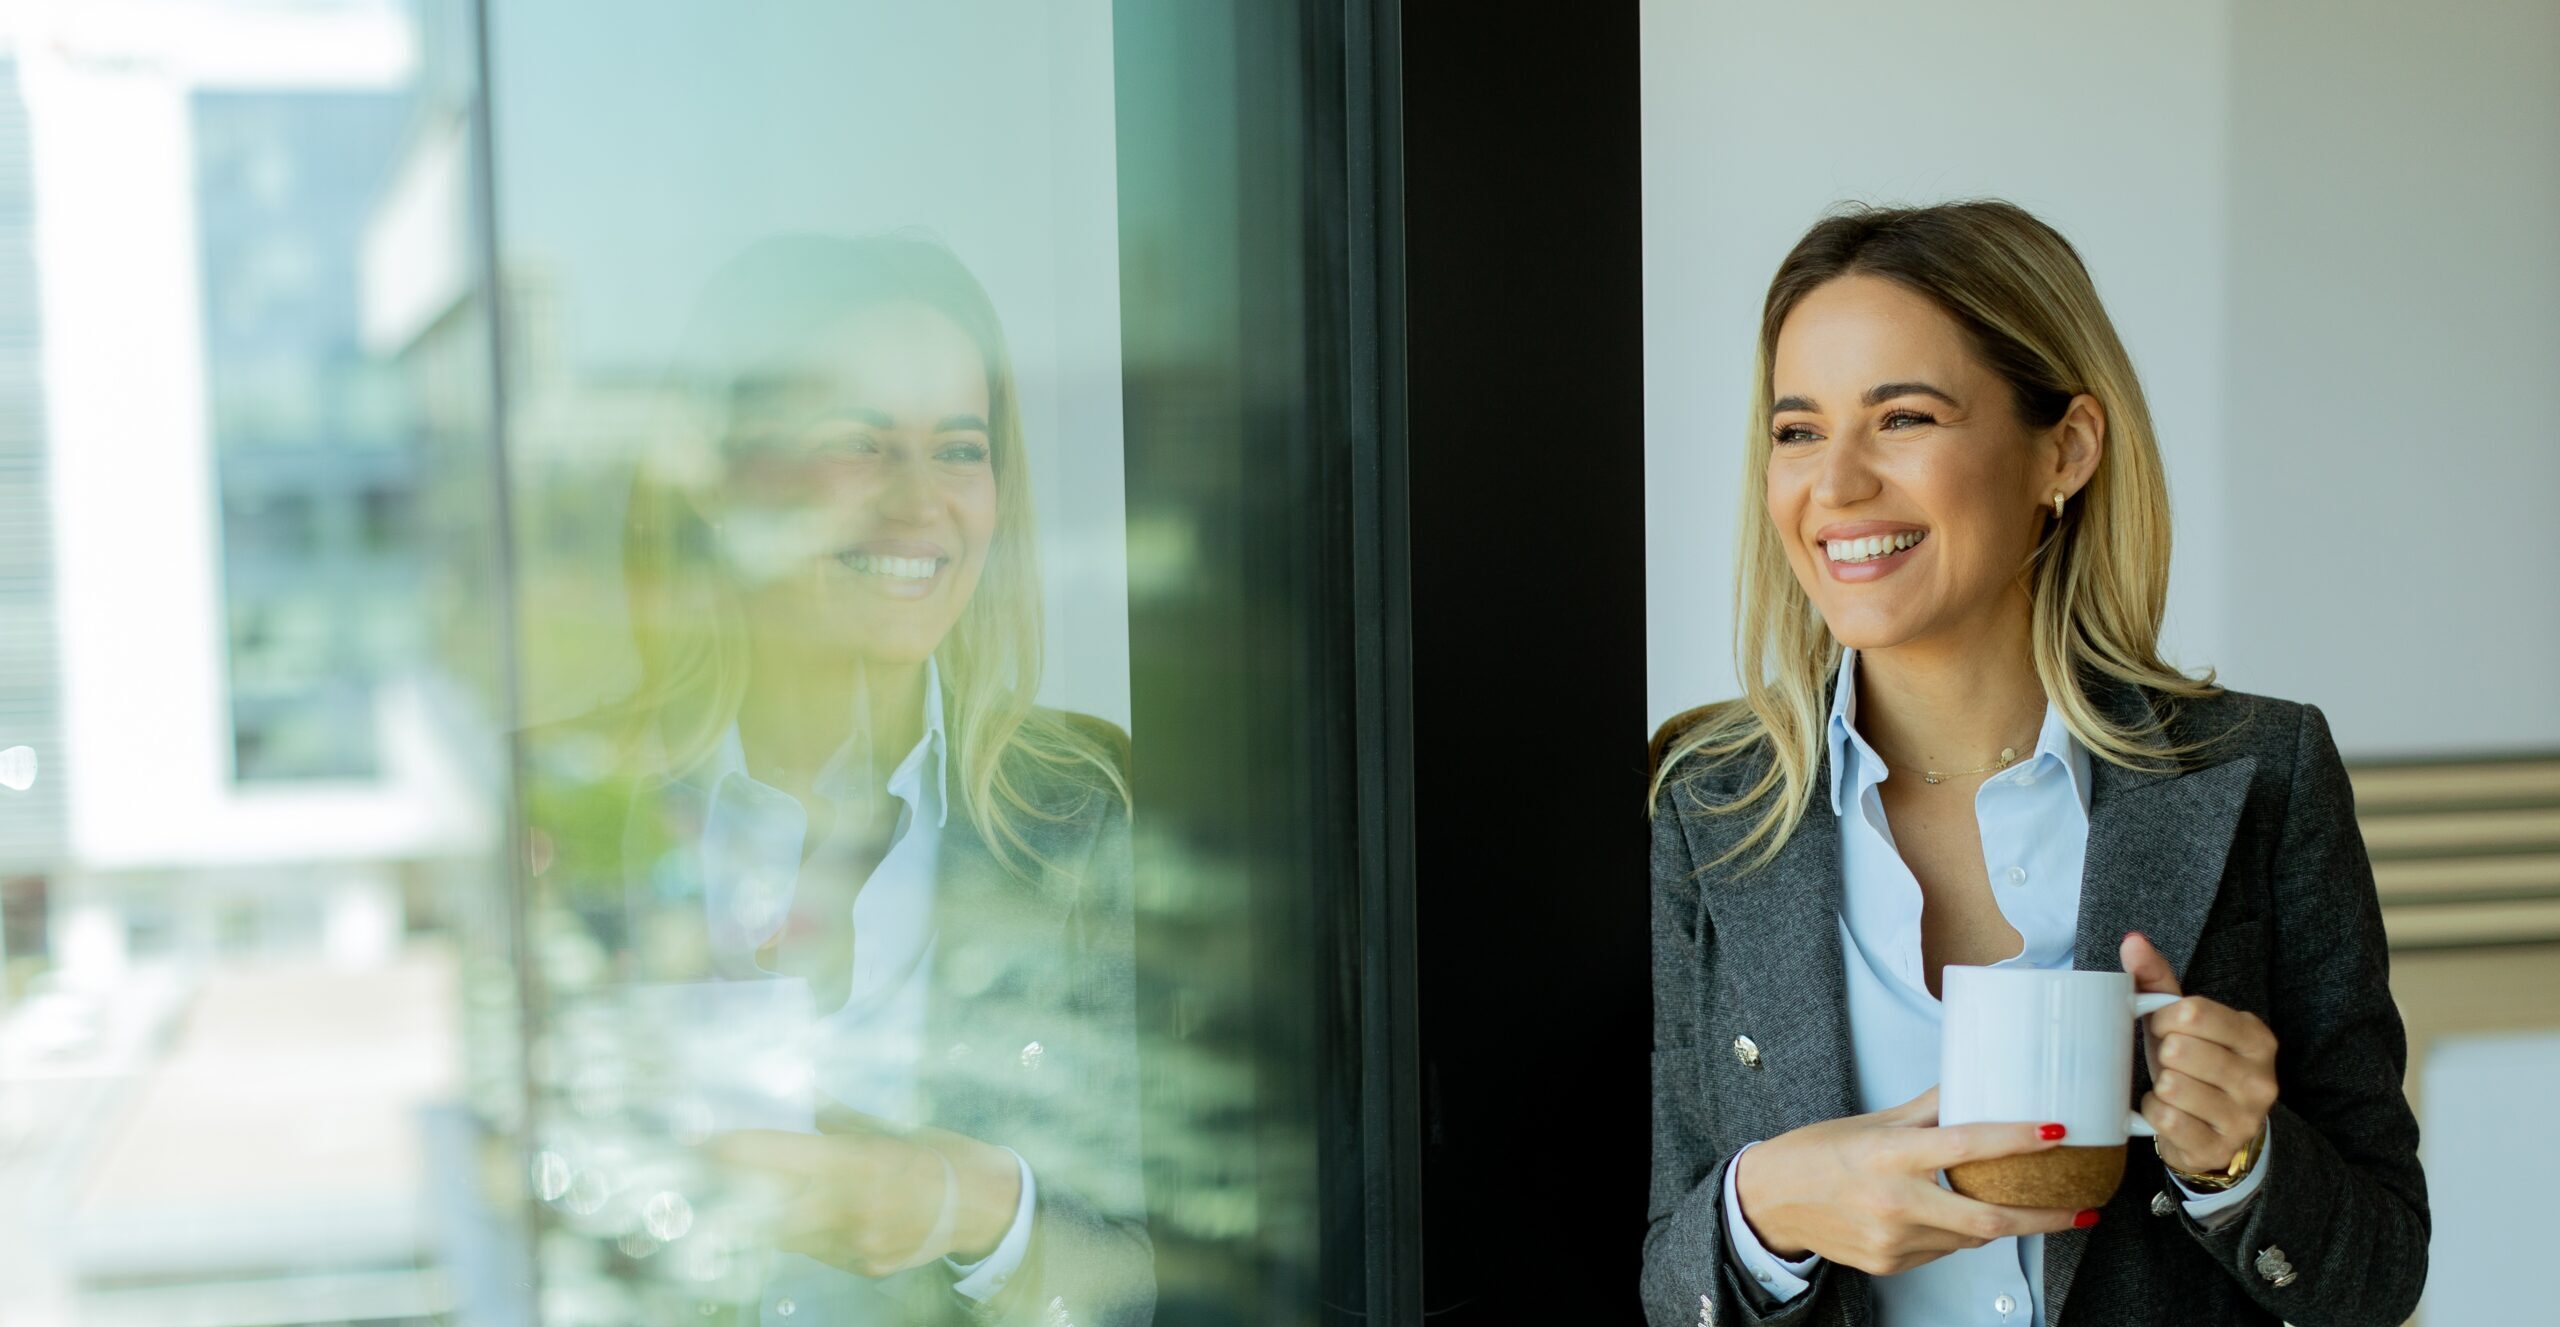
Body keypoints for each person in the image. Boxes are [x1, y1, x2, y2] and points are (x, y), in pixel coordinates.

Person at [1641, 201, 2425, 1327]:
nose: (1837, 486)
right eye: (1798, 431)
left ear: (2065, 448)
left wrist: (2240, 1163)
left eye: (1901, 417)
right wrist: (1764, 1211)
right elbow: (1658, 1267)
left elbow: (2381, 1269)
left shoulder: (2260, 769)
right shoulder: (1706, 807)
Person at [570, 232, 1151, 1326]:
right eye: (859, 445)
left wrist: (970, 1205)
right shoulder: (574, 802)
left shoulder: (1084, 807)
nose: (920, 503)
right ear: (724, 484)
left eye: (960, 449)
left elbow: (1161, 1272)